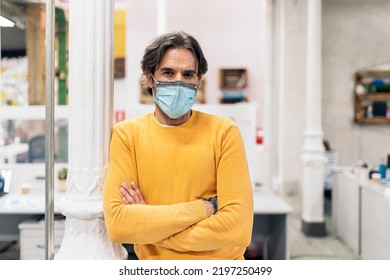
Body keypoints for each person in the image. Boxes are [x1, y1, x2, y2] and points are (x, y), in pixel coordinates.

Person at [103, 31, 254, 260]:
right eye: (168, 72)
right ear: (150, 78)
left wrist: (151, 228)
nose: (179, 81)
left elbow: (238, 230)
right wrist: (205, 208)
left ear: (198, 80)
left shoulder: (224, 132)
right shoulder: (127, 136)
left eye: (188, 74)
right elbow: (118, 225)